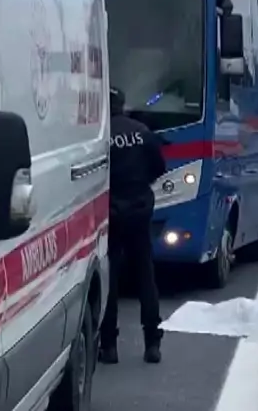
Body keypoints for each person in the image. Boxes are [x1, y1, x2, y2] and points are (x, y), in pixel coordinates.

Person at [100, 87, 167, 364]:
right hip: (140, 210)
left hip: (112, 212)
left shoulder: (102, 136)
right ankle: (152, 343)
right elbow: (159, 167)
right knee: (145, 276)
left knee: (111, 278)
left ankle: (109, 346)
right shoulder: (142, 132)